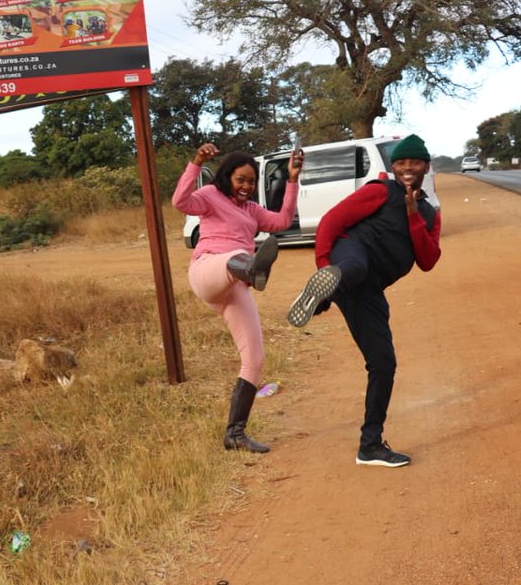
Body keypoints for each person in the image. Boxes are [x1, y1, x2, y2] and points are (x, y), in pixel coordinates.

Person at [286, 134, 441, 467]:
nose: (408, 168)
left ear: (426, 166)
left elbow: (428, 260)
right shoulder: (380, 191)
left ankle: (369, 446)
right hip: (349, 256)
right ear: (393, 167)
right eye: (401, 162)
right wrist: (323, 265)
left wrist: (413, 215)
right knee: (355, 267)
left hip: (369, 290)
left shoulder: (429, 214)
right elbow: (331, 221)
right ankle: (324, 290)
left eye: (415, 162)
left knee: (384, 363)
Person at [172, 142, 304, 453]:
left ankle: (235, 434)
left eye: (251, 181)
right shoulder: (210, 196)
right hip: (208, 271)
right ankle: (252, 267)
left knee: (254, 359)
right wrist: (196, 162)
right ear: (227, 176)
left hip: (236, 286)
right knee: (236, 256)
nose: (246, 186)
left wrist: (292, 179)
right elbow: (180, 201)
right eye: (240, 179)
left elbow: (282, 221)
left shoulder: (252, 211)